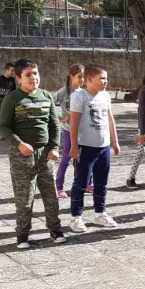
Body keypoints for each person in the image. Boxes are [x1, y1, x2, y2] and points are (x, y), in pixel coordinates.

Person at [0, 58, 66, 249]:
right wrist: (18, 144)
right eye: (28, 75)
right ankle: (22, 236)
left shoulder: (46, 97)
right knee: (24, 198)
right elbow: (3, 127)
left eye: (35, 73)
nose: (33, 78)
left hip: (45, 156)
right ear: (19, 78)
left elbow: (54, 125)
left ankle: (55, 230)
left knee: (51, 196)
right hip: (22, 157)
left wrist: (54, 147)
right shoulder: (12, 99)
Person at [68, 65, 120, 231]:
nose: (105, 81)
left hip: (103, 147)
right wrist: (74, 146)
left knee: (101, 183)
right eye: (102, 78)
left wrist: (115, 141)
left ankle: (100, 213)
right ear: (89, 80)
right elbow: (74, 123)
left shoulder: (105, 96)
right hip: (86, 147)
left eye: (106, 78)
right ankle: (76, 217)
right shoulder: (79, 96)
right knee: (81, 183)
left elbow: (110, 119)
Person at [54, 65, 87, 198]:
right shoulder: (64, 92)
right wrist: (61, 119)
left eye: (84, 77)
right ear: (71, 77)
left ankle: (84, 183)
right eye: (79, 76)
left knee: (83, 159)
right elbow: (47, 104)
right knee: (67, 158)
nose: (82, 79)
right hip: (68, 131)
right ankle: (59, 187)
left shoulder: (84, 92)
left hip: (83, 133)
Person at [126, 67, 145, 189]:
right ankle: (131, 178)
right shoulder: (144, 90)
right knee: (141, 151)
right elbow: (142, 113)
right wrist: (142, 131)